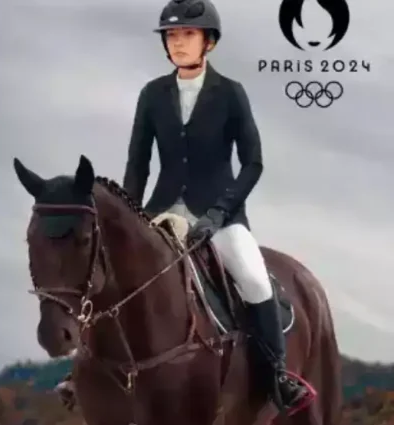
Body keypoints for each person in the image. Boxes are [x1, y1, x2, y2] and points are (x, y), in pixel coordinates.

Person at [120, 0, 315, 415]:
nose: (178, 43)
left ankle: (277, 376)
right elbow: (137, 164)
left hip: (219, 214)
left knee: (254, 279)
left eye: (187, 35)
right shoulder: (152, 95)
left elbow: (253, 162)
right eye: (172, 37)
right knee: (118, 276)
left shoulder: (230, 93)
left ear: (208, 42)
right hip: (161, 212)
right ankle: (89, 367)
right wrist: (129, 217)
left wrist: (219, 213)